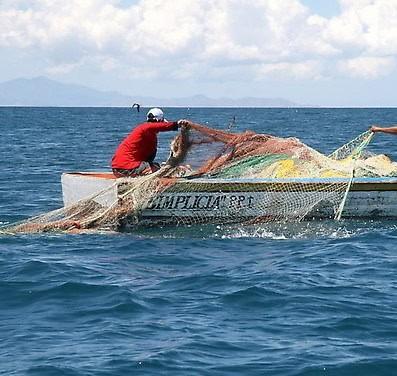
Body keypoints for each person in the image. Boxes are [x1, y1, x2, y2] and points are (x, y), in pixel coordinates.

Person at [111, 108, 190, 177]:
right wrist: (176, 125)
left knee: (157, 166)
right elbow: (157, 126)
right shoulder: (144, 127)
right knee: (158, 170)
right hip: (124, 168)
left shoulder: (150, 136)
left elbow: (149, 159)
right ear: (158, 121)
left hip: (119, 168)